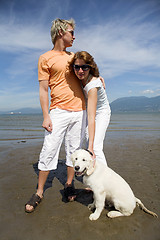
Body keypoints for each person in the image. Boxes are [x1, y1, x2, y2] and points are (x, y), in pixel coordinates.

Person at [25, 18, 87, 213]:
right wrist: (46, 115)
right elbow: (43, 90)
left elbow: (86, 73)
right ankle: (40, 191)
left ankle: (69, 184)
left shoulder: (75, 56)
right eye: (71, 32)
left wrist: (97, 76)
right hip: (58, 111)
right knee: (49, 149)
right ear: (60, 32)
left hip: (80, 111)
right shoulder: (45, 58)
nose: (74, 36)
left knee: (73, 150)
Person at [69, 51, 111, 164]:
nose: (80, 71)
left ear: (90, 67)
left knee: (95, 147)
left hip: (101, 113)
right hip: (89, 111)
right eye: (77, 67)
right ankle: (92, 172)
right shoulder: (79, 77)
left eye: (85, 67)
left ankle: (104, 177)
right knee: (88, 141)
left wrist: (91, 147)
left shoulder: (93, 86)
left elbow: (91, 117)